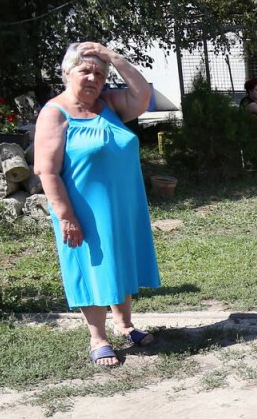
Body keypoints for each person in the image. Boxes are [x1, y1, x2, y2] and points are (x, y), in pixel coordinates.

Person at [33, 42, 161, 367]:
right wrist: (66, 215)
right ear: (67, 72)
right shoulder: (54, 113)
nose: (93, 78)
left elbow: (143, 95)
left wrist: (113, 57)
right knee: (93, 266)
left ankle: (125, 324)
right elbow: (46, 170)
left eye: (100, 74)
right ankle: (98, 338)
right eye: (86, 71)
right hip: (82, 209)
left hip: (121, 204)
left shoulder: (110, 104)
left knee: (119, 259)